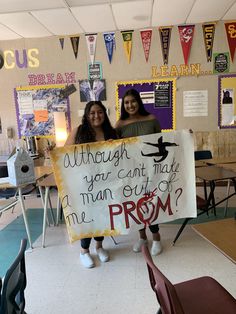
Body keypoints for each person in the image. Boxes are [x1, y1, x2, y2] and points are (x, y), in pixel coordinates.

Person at [65, 101, 118, 268]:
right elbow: (64, 153)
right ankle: (84, 251)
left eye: (100, 112)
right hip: (84, 183)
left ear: (104, 113)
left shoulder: (110, 131)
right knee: (87, 216)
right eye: (92, 113)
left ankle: (100, 247)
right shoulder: (78, 131)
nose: (96, 116)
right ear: (87, 115)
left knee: (102, 215)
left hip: (105, 182)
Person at [115, 88, 162, 256]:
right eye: (126, 102)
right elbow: (114, 148)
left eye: (133, 101)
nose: (130, 105)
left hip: (150, 171)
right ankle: (142, 237)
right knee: (137, 205)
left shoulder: (151, 120)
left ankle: (156, 237)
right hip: (130, 173)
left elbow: (161, 143)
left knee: (151, 203)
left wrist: (184, 138)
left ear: (139, 102)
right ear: (123, 105)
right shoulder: (119, 124)